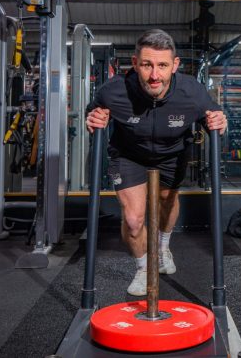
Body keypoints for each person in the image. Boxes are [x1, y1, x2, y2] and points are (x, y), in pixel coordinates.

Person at [86, 29, 227, 296]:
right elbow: (92, 109)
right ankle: (143, 267)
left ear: (174, 65)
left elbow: (215, 114)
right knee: (133, 219)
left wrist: (221, 121)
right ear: (135, 62)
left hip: (172, 153)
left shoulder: (191, 92)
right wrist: (92, 118)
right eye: (147, 65)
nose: (154, 75)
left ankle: (162, 247)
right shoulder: (113, 91)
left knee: (167, 201)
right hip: (129, 154)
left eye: (162, 66)